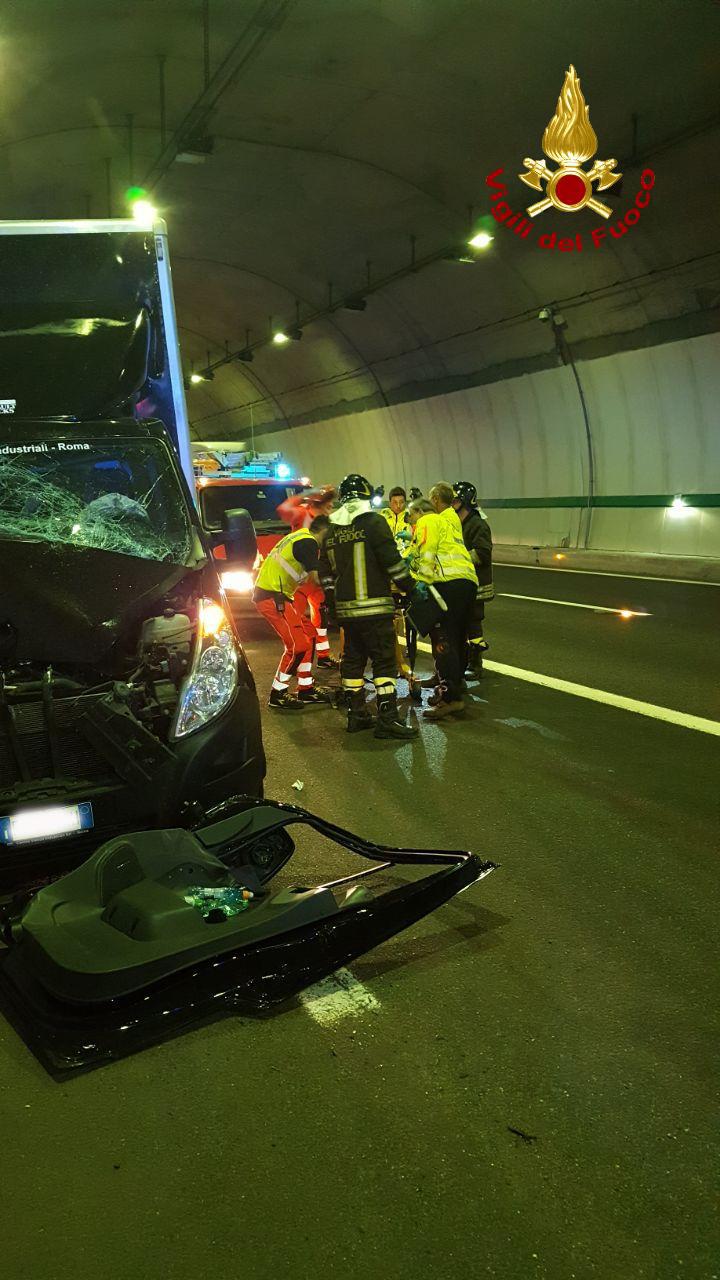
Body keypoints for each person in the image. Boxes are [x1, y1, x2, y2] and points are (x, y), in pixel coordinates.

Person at [320, 474, 418, 740]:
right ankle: (387, 718)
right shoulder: (374, 523)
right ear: (366, 496)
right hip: (375, 610)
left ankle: (357, 714)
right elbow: (393, 563)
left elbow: (325, 575)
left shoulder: (332, 531)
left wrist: (333, 604)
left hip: (347, 613)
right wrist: (411, 587)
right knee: (384, 661)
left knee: (353, 661)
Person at [410, 482, 478, 720]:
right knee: (458, 637)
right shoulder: (451, 520)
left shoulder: (428, 521)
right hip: (467, 581)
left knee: (443, 639)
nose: (411, 521)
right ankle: (454, 687)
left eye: (411, 516)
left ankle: (450, 698)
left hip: (447, 583)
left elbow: (427, 552)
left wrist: (421, 580)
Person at [253, 515, 332, 711]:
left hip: (277, 596)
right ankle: (278, 693)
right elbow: (315, 578)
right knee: (298, 645)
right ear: (324, 531)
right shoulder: (309, 542)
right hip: (272, 598)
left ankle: (305, 687)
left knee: (310, 634)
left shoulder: (298, 537)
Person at [276, 485, 338, 668]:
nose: (331, 507)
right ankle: (299, 657)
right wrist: (308, 494)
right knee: (300, 622)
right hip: (301, 577)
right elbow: (283, 509)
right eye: (329, 503)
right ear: (319, 502)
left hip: (317, 574)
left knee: (320, 616)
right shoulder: (302, 514)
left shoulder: (326, 521)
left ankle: (323, 655)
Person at [452, 481, 494, 677]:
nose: (452, 503)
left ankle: (476, 664)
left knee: (473, 622)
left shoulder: (477, 524)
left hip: (476, 584)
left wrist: (458, 557)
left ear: (465, 501)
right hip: (463, 583)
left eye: (455, 499)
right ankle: (465, 660)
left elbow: (484, 553)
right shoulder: (457, 522)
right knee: (462, 622)